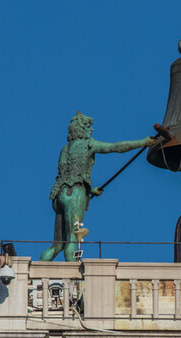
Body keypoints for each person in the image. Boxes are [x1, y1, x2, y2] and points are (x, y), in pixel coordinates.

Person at [40, 111, 156, 261]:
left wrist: (90, 190)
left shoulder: (65, 149)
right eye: (88, 126)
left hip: (59, 195)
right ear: (81, 129)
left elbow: (66, 172)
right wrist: (142, 143)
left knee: (57, 245)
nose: (91, 129)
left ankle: (34, 275)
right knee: (72, 239)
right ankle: (73, 277)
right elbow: (116, 147)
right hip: (75, 193)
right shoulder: (89, 144)